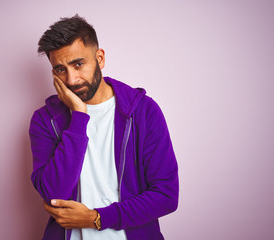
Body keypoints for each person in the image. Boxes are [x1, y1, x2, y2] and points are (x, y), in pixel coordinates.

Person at [29, 15, 179, 240]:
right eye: (60, 69)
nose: (71, 79)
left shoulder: (143, 111)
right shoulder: (45, 121)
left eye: (78, 64)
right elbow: (53, 193)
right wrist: (79, 116)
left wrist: (96, 218)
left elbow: (166, 195)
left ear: (99, 58)